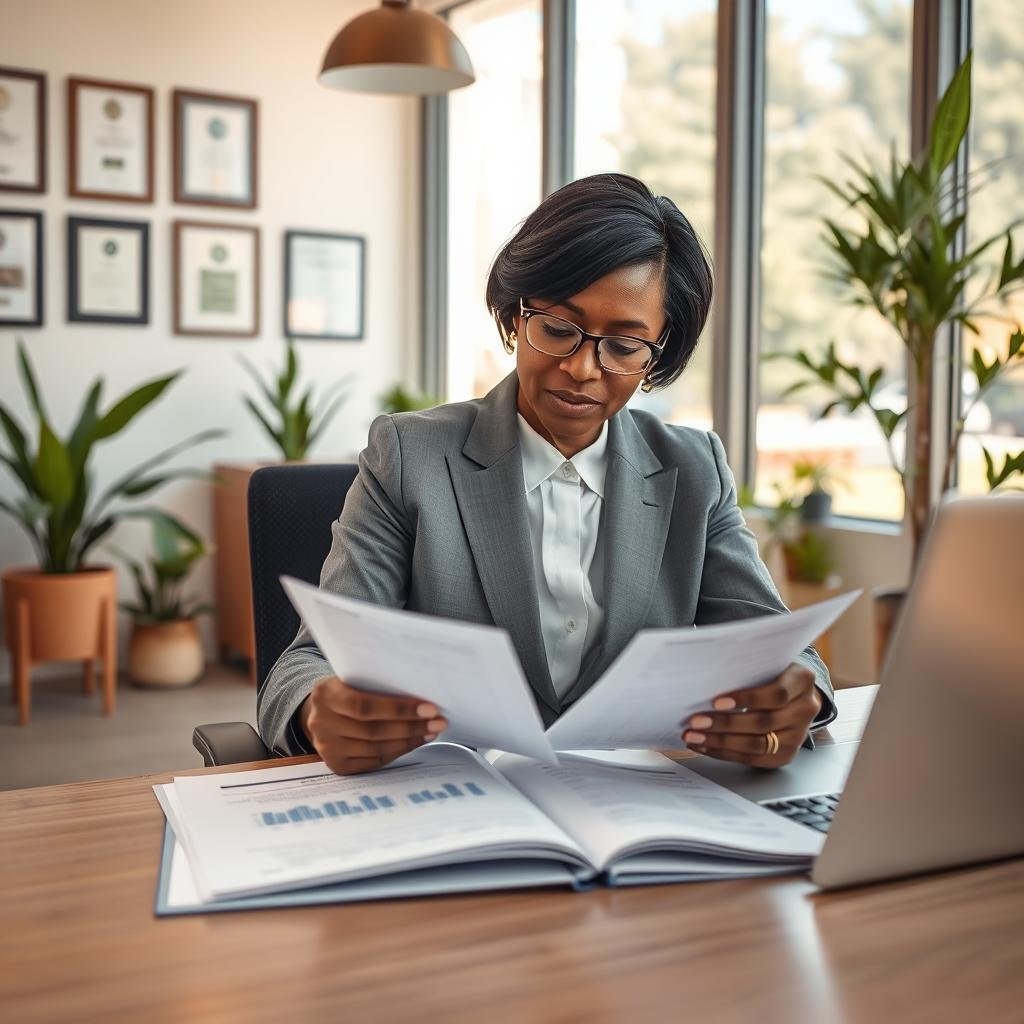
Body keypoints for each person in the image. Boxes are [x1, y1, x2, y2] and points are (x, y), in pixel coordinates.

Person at [259, 173, 835, 776]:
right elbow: (307, 664)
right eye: (558, 329)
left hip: (637, 809)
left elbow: (778, 647)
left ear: (659, 352)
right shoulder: (411, 456)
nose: (583, 369)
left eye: (624, 346)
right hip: (455, 801)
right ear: (515, 316)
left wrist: (801, 694)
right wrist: (320, 709)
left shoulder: (694, 470)